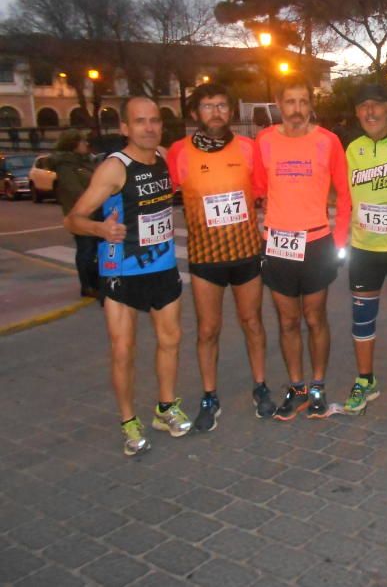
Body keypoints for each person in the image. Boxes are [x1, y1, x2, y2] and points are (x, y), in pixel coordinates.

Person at [64, 97, 190, 456]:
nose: (149, 127)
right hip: (122, 272)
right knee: (123, 350)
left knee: (171, 340)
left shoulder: (164, 157)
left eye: (154, 120)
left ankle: (165, 408)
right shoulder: (114, 168)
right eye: (140, 121)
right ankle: (128, 421)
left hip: (162, 265)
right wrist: (100, 229)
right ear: (124, 127)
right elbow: (73, 219)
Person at [166, 83, 274, 432]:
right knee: (208, 330)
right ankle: (209, 395)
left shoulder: (247, 148)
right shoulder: (179, 152)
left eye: (222, 106)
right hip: (205, 258)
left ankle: (260, 386)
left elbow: (262, 192)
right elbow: (160, 194)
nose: (216, 112)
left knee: (252, 322)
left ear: (230, 112)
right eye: (208, 106)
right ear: (196, 114)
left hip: (245, 254)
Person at [255, 80, 351, 421]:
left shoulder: (328, 141)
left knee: (315, 318)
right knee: (288, 320)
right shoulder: (265, 141)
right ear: (279, 105)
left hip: (316, 242)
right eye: (290, 101)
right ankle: (296, 389)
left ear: (312, 105)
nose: (297, 108)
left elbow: (344, 194)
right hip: (279, 243)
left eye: (303, 101)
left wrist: (338, 243)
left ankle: (318, 387)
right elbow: (257, 188)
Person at [342, 84, 387, 414]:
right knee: (362, 319)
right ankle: (365, 380)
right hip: (364, 248)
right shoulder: (350, 149)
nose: (370, 112)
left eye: (376, 105)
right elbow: (337, 192)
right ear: (357, 113)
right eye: (363, 106)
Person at [50, 129, 99, 297]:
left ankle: (95, 283)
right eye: (82, 142)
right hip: (81, 215)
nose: (86, 144)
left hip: (94, 212)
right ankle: (88, 286)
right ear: (73, 144)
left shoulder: (85, 162)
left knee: (94, 249)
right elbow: (74, 191)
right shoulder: (66, 166)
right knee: (86, 249)